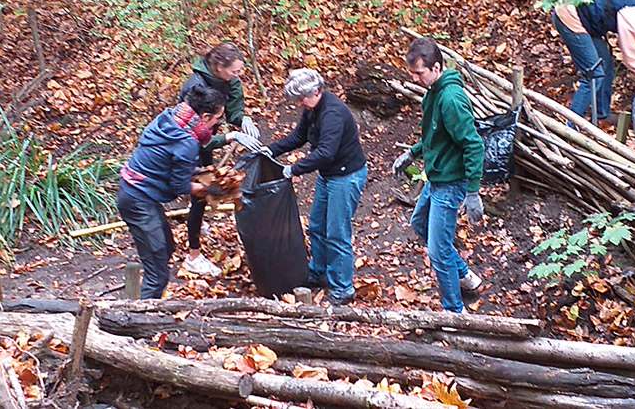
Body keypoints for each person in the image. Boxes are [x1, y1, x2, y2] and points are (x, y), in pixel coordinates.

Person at [392, 38, 486, 313]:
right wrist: (412, 153)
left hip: (450, 182)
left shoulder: (451, 99)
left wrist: (472, 192)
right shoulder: (433, 92)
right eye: (412, 73)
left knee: (438, 250)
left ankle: (454, 312)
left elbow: (473, 144)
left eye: (419, 73)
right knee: (419, 222)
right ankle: (466, 277)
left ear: (436, 67)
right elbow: (436, 136)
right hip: (435, 178)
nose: (415, 78)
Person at [264, 69, 367, 306]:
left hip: (346, 175)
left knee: (337, 232)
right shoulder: (312, 110)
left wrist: (295, 168)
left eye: (302, 99)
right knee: (317, 225)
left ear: (317, 91)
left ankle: (343, 287)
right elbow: (300, 136)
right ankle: (320, 271)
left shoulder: (332, 113)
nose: (300, 104)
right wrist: (273, 149)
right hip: (329, 175)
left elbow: (326, 152)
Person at [117, 85, 227, 299]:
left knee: (166, 247)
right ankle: (138, 321)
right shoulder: (187, 142)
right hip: (138, 200)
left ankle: (142, 299)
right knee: (158, 274)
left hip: (137, 193)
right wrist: (208, 189)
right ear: (204, 117)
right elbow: (179, 186)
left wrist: (201, 174)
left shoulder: (170, 117)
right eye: (217, 120)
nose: (217, 125)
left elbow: (171, 165)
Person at [178, 43, 260, 277]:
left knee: (204, 183)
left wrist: (243, 119)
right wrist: (229, 136)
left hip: (208, 136)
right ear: (217, 67)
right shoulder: (195, 87)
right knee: (200, 192)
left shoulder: (230, 80)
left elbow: (234, 108)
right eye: (233, 71)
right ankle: (193, 256)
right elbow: (194, 134)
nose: (238, 75)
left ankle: (197, 220)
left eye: (239, 71)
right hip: (189, 142)